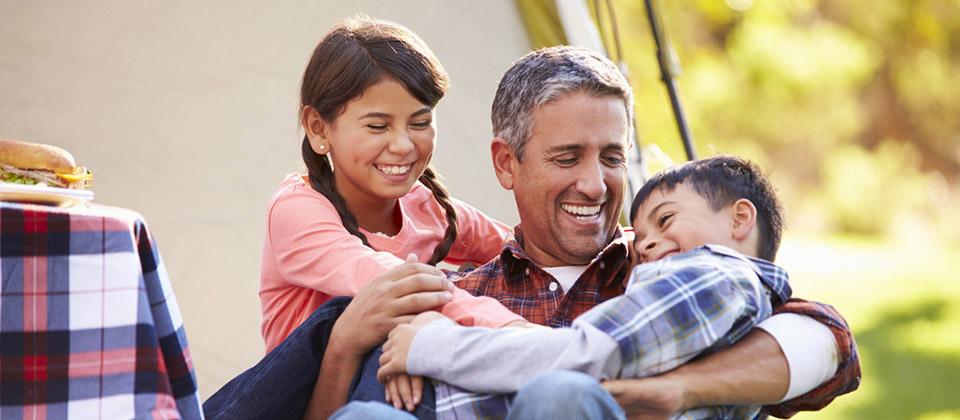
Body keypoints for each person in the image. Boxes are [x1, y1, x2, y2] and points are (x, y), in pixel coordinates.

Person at [334, 46, 858, 419]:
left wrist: (676, 389)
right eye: (566, 158)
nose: (595, 185)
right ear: (507, 163)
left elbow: (831, 343)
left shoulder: (661, 264)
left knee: (558, 397)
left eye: (612, 158)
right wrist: (342, 344)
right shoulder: (458, 297)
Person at [203, 15, 526, 420]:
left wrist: (624, 242)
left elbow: (527, 248)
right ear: (319, 128)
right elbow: (395, 285)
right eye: (377, 125)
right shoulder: (297, 209)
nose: (403, 145)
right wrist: (519, 336)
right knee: (379, 309)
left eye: (421, 122)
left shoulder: (429, 208)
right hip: (297, 404)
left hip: (392, 398)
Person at [374, 155, 806, 419]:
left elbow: (585, 355)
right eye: (640, 231)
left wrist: (430, 345)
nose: (646, 241)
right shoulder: (736, 298)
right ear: (508, 163)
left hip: (457, 404)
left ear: (739, 219)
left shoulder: (713, 277)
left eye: (666, 219)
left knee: (558, 394)